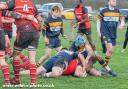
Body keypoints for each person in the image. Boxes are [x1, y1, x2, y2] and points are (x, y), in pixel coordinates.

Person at [1, 0, 43, 85]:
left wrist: (19, 15)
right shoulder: (31, 3)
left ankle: (17, 79)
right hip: (35, 32)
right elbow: (39, 18)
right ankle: (33, 84)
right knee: (32, 58)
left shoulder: (14, 2)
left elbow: (2, 8)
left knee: (15, 55)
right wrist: (40, 28)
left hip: (23, 31)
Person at [20, 48, 86, 78]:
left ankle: (18, 73)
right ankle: (45, 75)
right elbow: (81, 55)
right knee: (56, 73)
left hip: (52, 59)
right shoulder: (70, 53)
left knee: (36, 71)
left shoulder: (60, 52)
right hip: (60, 60)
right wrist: (84, 65)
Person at [97, 0, 125, 66]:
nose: (115, 2)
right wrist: (98, 31)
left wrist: (121, 25)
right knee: (109, 49)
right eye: (113, 1)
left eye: (115, 1)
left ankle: (105, 67)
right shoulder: (104, 11)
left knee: (110, 51)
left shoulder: (118, 11)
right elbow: (98, 21)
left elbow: (122, 20)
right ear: (109, 2)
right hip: (105, 32)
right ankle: (105, 67)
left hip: (113, 34)